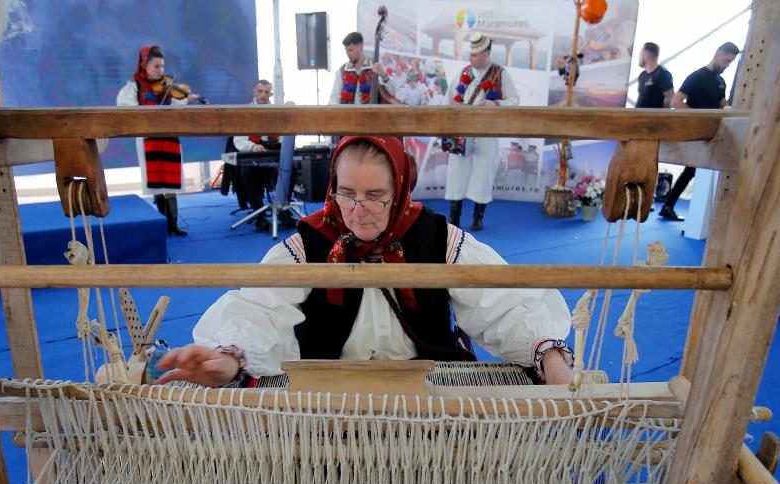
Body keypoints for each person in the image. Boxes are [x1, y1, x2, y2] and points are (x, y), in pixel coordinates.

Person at [154, 136, 573, 387]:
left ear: (400, 190)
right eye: (346, 193)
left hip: (429, 391)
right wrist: (229, 357)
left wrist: (547, 354)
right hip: (331, 396)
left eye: (375, 196)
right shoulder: (311, 244)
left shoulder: (435, 237)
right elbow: (261, 307)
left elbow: (501, 300)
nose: (357, 211)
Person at [116, 45, 201, 236]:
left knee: (171, 181)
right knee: (156, 183)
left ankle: (173, 224)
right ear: (144, 65)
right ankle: (163, 224)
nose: (160, 70)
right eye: (156, 66)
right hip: (149, 140)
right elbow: (124, 105)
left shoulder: (168, 86)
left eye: (162, 66)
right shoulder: (135, 86)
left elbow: (178, 104)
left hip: (169, 138)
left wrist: (188, 101)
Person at [445, 33, 520, 232]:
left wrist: (496, 104)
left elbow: (514, 100)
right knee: (456, 173)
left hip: (487, 132)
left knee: (483, 174)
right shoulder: (463, 72)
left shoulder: (500, 74)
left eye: (474, 55)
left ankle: (478, 218)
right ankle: (454, 218)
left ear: (485, 54)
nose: (470, 58)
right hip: (463, 131)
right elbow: (449, 100)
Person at [659, 42, 739, 221]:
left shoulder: (720, 81)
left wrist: (731, 110)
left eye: (730, 62)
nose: (727, 65)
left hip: (714, 133)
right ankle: (668, 205)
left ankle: (668, 205)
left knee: (692, 171)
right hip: (696, 133)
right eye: (726, 61)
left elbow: (722, 103)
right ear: (717, 54)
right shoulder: (697, 77)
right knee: (691, 170)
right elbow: (676, 102)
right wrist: (697, 117)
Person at [233, 79, 280, 232]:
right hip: (252, 155)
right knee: (246, 173)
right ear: (254, 91)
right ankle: (259, 215)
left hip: (273, 154)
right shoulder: (245, 112)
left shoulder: (277, 112)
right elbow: (239, 141)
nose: (263, 95)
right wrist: (253, 146)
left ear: (271, 94)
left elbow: (283, 136)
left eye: (266, 92)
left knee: (289, 169)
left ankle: (283, 209)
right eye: (260, 91)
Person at [328, 32, 389, 105]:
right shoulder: (341, 71)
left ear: (361, 47)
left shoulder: (375, 68)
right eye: (346, 51)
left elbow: (393, 91)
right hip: (347, 112)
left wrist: (384, 76)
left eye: (350, 50)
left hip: (370, 112)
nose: (348, 54)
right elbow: (334, 97)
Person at [635, 42, 673, 109]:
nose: (638, 57)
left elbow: (670, 98)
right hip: (639, 114)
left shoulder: (663, 74)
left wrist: (661, 114)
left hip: (654, 115)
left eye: (640, 54)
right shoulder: (642, 75)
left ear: (646, 55)